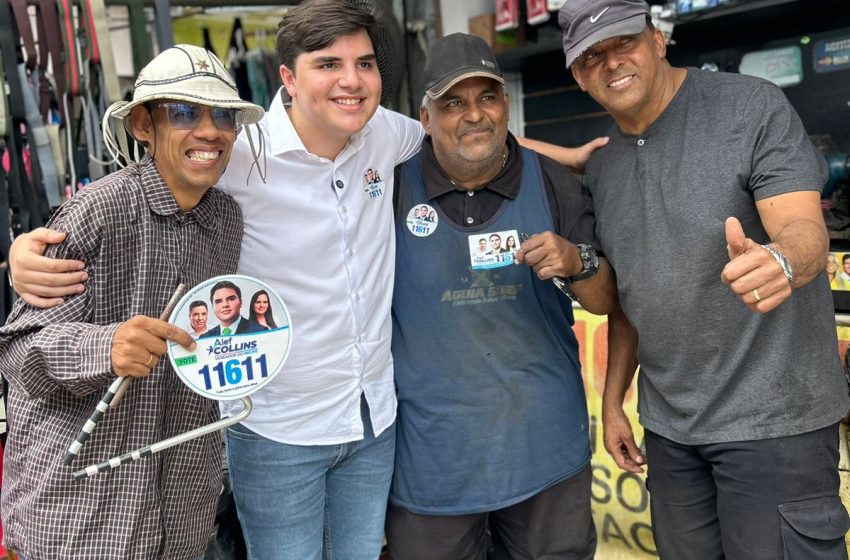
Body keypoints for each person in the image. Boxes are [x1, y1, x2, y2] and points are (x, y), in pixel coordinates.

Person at [5, 3, 605, 557]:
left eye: (363, 64)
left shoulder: (385, 135)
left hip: (373, 423)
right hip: (278, 429)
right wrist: (25, 250)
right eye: (328, 65)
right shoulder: (235, 153)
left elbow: (468, 134)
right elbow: (149, 186)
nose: (351, 79)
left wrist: (568, 159)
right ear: (288, 78)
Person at [558, 1, 850, 558]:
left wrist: (781, 261)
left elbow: (804, 230)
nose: (611, 62)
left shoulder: (751, 108)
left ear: (658, 39)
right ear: (577, 75)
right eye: (592, 56)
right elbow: (629, 303)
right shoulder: (604, 167)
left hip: (774, 424)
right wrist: (616, 400)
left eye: (624, 42)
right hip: (670, 436)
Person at [0, 45, 263, 559]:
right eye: (185, 112)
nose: (209, 131)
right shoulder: (97, 211)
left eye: (224, 116)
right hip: (81, 514)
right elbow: (19, 351)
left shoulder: (228, 219)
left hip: (182, 512)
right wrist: (106, 347)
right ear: (144, 125)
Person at [386, 32, 618, 559]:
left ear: (505, 104)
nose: (474, 115)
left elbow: (606, 300)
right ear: (425, 118)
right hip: (433, 465)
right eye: (453, 103)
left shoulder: (554, 184)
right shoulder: (390, 190)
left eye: (487, 97)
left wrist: (577, 262)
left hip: (545, 454)